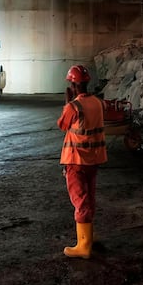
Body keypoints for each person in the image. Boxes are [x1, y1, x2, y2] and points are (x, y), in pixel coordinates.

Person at [57, 64, 107, 259]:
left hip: (76, 160)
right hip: (93, 160)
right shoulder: (99, 103)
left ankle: (83, 247)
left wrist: (67, 102)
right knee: (89, 198)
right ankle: (89, 238)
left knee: (80, 200)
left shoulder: (73, 106)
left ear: (72, 84)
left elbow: (62, 124)